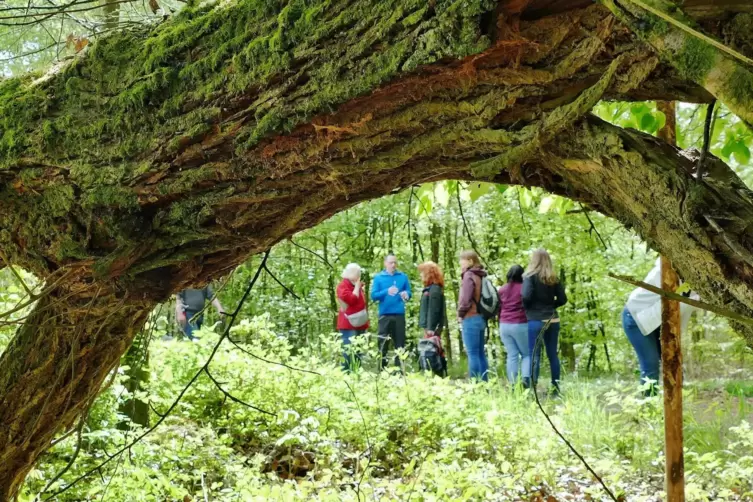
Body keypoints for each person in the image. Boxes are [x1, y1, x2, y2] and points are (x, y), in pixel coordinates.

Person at [623, 257, 699, 396]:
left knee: (673, 361)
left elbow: (682, 309)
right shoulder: (664, 272)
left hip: (658, 320)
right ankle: (649, 406)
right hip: (635, 317)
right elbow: (675, 304)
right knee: (650, 365)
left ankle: (673, 406)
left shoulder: (694, 286)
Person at [522, 248, 567, 395]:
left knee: (534, 354)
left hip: (535, 319)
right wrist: (552, 306)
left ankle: (532, 390)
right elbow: (563, 299)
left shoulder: (529, 276)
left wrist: (528, 308)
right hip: (553, 319)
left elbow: (526, 297)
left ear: (534, 260)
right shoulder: (554, 278)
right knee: (552, 355)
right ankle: (555, 388)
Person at [371, 254, 412, 371]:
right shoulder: (379, 278)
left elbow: (409, 292)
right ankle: (382, 369)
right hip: (384, 314)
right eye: (391, 263)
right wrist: (386, 291)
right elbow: (374, 296)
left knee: (400, 343)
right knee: (382, 342)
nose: (393, 265)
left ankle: (399, 370)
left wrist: (406, 295)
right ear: (385, 264)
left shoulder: (403, 277)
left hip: (399, 314)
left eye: (395, 262)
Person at [457, 250, 489, 382]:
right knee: (480, 353)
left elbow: (466, 299)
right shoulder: (480, 275)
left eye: (462, 261)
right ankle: (485, 382)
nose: (460, 263)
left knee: (473, 354)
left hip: (470, 317)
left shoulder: (469, 276)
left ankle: (475, 385)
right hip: (481, 317)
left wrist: (460, 314)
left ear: (470, 261)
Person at [498, 264, 531, 388]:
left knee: (512, 354)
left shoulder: (502, 289)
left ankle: (512, 383)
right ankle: (526, 380)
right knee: (527, 354)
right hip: (520, 324)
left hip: (504, 325)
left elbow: (498, 307)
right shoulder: (524, 289)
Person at [337, 263, 369, 372]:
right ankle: (346, 374)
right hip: (348, 325)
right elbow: (351, 299)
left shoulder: (357, 285)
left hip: (360, 323)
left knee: (358, 351)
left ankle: (357, 373)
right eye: (356, 273)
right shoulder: (342, 286)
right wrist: (356, 287)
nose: (358, 275)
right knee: (348, 351)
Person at [418, 261, 447, 375]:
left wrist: (431, 327)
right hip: (429, 326)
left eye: (422, 272)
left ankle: (436, 373)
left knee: (432, 350)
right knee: (431, 350)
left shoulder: (434, 289)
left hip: (432, 327)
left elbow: (434, 310)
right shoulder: (430, 289)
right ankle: (432, 373)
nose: (421, 275)